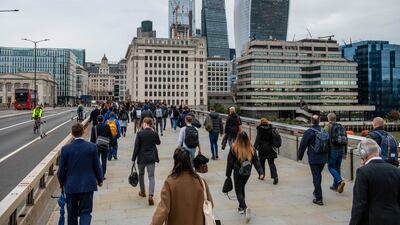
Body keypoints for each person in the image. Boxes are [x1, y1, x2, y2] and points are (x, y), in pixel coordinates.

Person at [150, 147, 213, 225]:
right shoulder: (200, 181)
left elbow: (163, 210)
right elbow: (211, 204)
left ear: (175, 162)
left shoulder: (170, 183)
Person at [57, 123, 103, 225]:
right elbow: (97, 166)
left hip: (71, 186)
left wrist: (61, 183)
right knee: (86, 212)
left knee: (72, 214)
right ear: (83, 132)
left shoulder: (66, 149)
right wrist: (100, 180)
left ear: (72, 134)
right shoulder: (92, 147)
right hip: (87, 185)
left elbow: (61, 170)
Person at [349, 139, 400, 225]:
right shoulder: (396, 170)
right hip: (394, 218)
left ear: (363, 154)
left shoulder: (363, 172)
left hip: (372, 219)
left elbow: (359, 204)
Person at [226, 131, 264, 220]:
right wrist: (261, 172)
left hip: (237, 172)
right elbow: (256, 161)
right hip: (247, 173)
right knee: (241, 188)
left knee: (238, 191)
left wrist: (228, 175)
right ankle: (241, 207)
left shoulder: (234, 148)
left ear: (238, 138)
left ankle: (245, 207)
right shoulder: (251, 148)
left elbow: (229, 162)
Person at [298, 115, 330, 206]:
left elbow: (303, 145)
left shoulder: (309, 132)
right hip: (323, 158)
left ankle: (319, 199)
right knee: (318, 175)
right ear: (319, 120)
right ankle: (316, 191)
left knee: (316, 177)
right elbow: (329, 145)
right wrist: (328, 157)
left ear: (311, 121)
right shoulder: (324, 131)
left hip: (314, 158)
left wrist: (300, 156)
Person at [132, 117, 161, 205]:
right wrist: (154, 132)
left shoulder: (140, 133)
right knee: (151, 176)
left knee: (141, 175)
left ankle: (143, 191)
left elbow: (136, 147)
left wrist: (133, 158)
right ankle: (151, 195)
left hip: (142, 158)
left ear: (144, 124)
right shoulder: (154, 133)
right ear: (151, 124)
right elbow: (158, 143)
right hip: (151, 157)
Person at [324, 113, 347, 193]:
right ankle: (335, 185)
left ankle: (339, 181)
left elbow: (324, 139)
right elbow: (345, 140)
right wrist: (345, 153)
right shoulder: (341, 126)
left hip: (332, 150)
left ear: (328, 119)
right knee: (337, 167)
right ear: (335, 118)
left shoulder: (328, 127)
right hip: (340, 149)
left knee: (330, 167)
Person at [254, 118, 278, 185]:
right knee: (271, 163)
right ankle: (275, 176)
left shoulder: (260, 129)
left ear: (261, 122)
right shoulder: (271, 128)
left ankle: (262, 175)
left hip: (262, 149)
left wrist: (254, 148)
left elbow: (257, 139)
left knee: (262, 163)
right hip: (270, 148)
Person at [90, 115, 112, 179]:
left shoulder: (94, 128)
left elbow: (92, 139)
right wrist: (110, 143)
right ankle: (103, 175)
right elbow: (110, 136)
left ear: (97, 120)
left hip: (97, 146)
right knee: (104, 161)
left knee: (97, 161)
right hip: (105, 145)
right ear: (103, 120)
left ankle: (98, 174)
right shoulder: (107, 126)